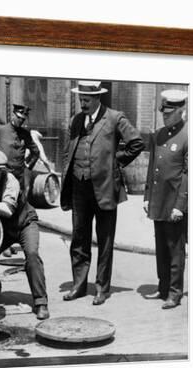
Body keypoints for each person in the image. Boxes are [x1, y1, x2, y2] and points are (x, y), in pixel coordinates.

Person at [60, 80, 145, 305]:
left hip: (105, 187)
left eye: (86, 100)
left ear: (97, 98)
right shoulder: (76, 120)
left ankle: (102, 288)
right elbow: (68, 152)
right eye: (80, 100)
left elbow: (136, 143)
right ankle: (78, 285)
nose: (83, 104)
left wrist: (116, 162)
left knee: (105, 241)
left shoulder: (115, 117)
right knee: (79, 238)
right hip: (79, 187)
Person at [0, 149, 50, 320]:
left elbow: (7, 210)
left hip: (24, 223)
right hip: (3, 229)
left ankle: (41, 302)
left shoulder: (10, 180)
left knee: (32, 255)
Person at [143, 90, 188, 309]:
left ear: (181, 111)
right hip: (158, 200)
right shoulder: (159, 134)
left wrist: (181, 205)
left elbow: (189, 174)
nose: (165, 116)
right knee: (161, 247)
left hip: (175, 202)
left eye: (169, 113)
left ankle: (175, 292)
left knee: (175, 249)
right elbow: (153, 167)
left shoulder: (188, 136)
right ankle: (163, 287)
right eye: (163, 112)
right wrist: (146, 196)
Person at [0, 103, 40, 197]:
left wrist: (28, 165)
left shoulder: (25, 134)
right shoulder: (1, 130)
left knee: (19, 204)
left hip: (19, 177)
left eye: (23, 119)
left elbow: (36, 152)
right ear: (13, 115)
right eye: (18, 117)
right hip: (2, 176)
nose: (21, 121)